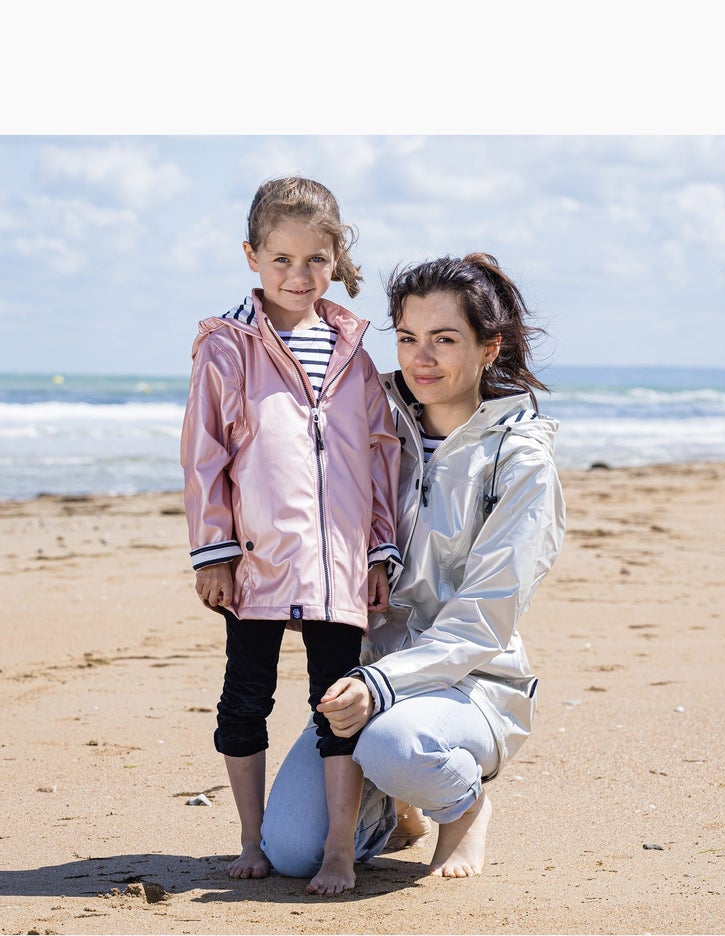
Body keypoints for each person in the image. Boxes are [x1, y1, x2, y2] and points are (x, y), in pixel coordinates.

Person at [261, 251, 566, 880]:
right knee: (292, 852)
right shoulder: (371, 420)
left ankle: (463, 799)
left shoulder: (521, 461)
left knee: (396, 744)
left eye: (444, 340)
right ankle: (399, 804)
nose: (419, 358)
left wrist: (383, 687)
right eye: (407, 337)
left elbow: (485, 617)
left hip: (473, 683)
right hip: (369, 674)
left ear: (489, 349)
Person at [180, 176, 401, 894]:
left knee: (335, 704)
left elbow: (381, 456)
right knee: (245, 698)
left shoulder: (353, 354)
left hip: (339, 569)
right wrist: (212, 551)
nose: (298, 276)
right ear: (252, 256)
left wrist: (378, 549)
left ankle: (340, 846)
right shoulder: (227, 348)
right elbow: (204, 455)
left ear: (336, 259)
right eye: (281, 260)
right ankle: (250, 838)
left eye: (315, 260)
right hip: (256, 566)